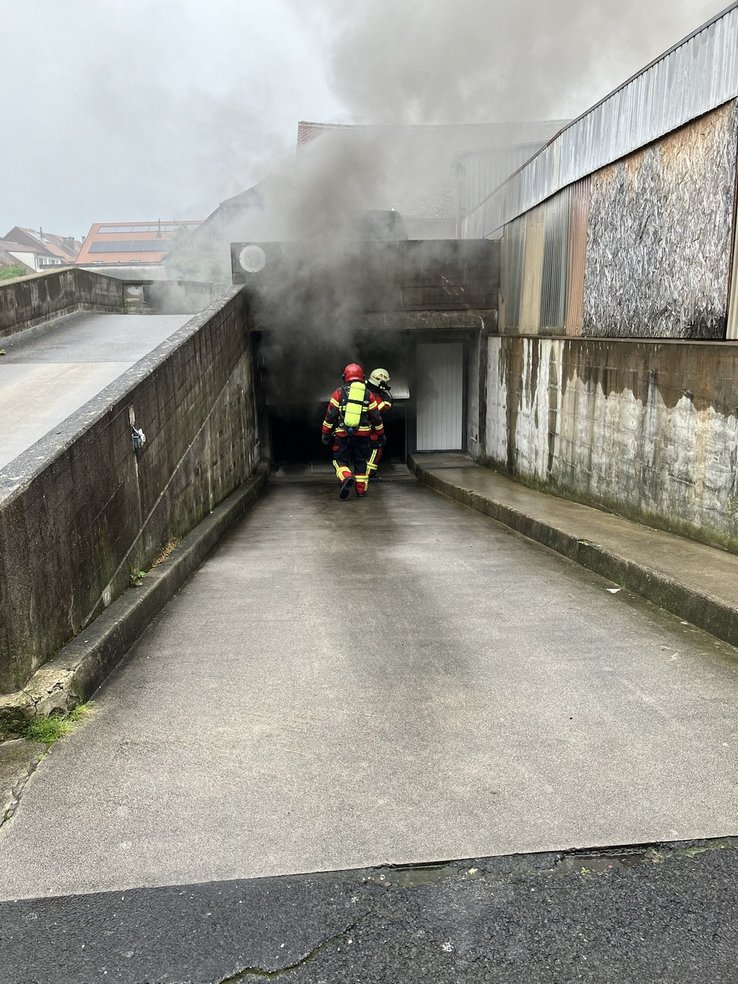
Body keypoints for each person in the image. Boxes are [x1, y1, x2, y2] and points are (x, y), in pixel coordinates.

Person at [321, 363, 385, 499]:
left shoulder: (339, 392)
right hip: (363, 436)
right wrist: (381, 434)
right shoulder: (368, 394)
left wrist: (325, 432)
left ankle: (346, 477)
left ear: (345, 377)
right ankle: (361, 491)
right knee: (361, 462)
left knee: (339, 461)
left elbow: (330, 414)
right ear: (362, 377)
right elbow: (376, 417)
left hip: (342, 435)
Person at [365, 368, 392, 481]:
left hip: (362, 428)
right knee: (375, 450)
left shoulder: (364, 388)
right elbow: (378, 412)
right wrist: (386, 401)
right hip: (372, 429)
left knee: (366, 452)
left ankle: (368, 473)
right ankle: (369, 474)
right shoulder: (375, 395)